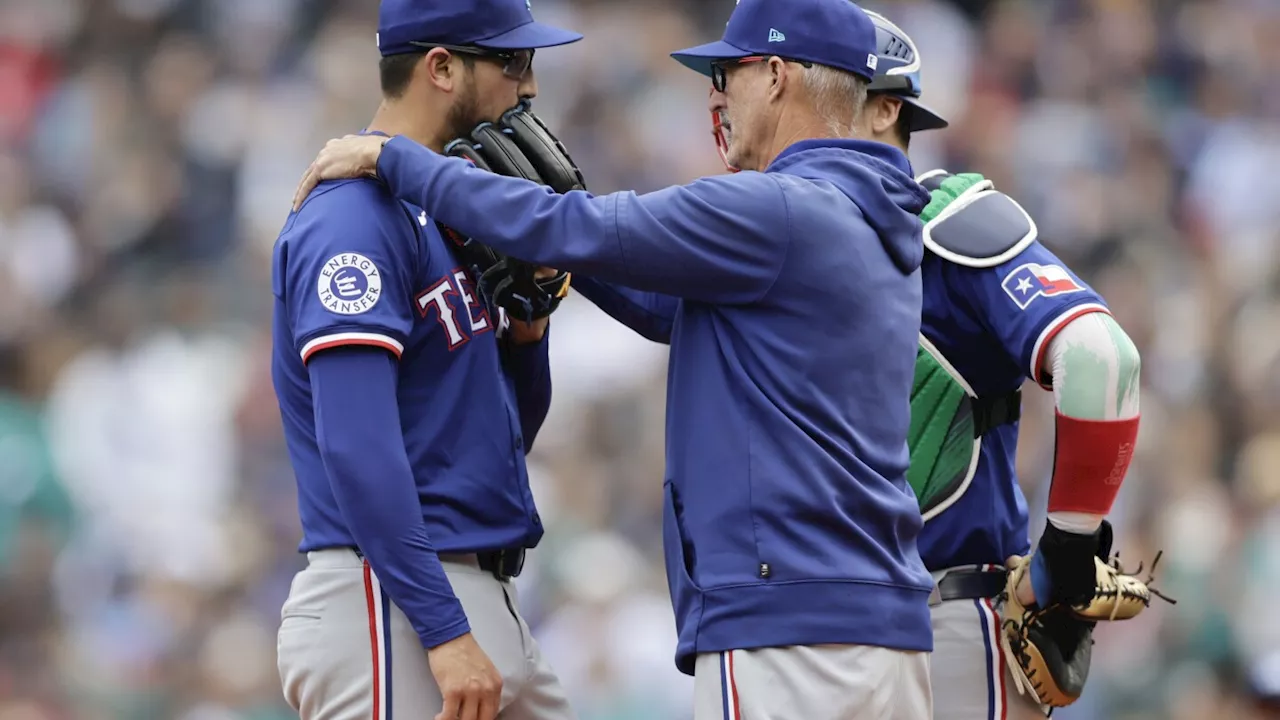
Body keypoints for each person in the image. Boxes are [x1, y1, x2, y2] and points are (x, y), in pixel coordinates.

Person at [292, 0, 937, 717]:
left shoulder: (782, 210)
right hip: (875, 623)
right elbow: (658, 310)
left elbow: (584, 228)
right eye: (514, 61)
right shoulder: (868, 217)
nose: (717, 94)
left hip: (790, 620)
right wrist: (533, 322)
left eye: (729, 72)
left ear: (778, 75)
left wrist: (401, 159)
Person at [269, 1, 583, 719]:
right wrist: (444, 632)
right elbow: (354, 444)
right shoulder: (352, 213)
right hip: (390, 605)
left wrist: (529, 331)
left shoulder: (451, 214)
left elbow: (498, 444)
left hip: (472, 593)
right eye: (512, 62)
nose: (528, 85)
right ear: (441, 67)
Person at [848, 10, 1144, 719]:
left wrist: (1070, 553)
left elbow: (1103, 360)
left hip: (943, 631)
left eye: (768, 78)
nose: (726, 100)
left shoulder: (946, 231)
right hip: (821, 642)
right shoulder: (760, 248)